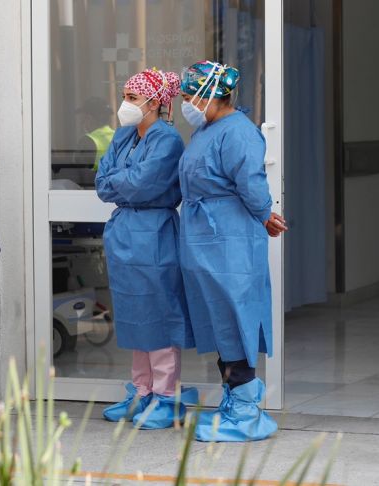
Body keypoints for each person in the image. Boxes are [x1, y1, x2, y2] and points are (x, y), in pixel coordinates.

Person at [178, 60, 288, 442]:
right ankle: (233, 401)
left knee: (235, 314)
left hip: (230, 238)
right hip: (207, 238)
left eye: (189, 96)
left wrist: (264, 213)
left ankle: (245, 411)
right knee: (219, 319)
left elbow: (251, 182)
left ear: (211, 93)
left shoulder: (238, 131)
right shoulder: (206, 130)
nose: (186, 103)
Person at [96, 67, 195, 429]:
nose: (125, 104)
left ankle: (166, 397)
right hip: (124, 232)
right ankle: (142, 391)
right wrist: (121, 182)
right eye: (124, 96)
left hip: (155, 233)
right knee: (135, 315)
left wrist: (119, 181)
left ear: (154, 103)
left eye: (132, 97)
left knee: (159, 313)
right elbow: (102, 182)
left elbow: (142, 183)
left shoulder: (167, 140)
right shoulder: (124, 135)